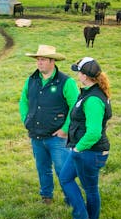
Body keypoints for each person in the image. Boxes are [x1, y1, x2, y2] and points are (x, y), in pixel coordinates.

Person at [19, 45, 80, 204]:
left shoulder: (67, 82)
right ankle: (46, 196)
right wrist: (26, 120)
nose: (39, 63)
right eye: (38, 60)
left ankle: (71, 200)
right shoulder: (31, 80)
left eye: (43, 60)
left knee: (63, 170)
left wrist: (66, 129)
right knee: (42, 168)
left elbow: (76, 107)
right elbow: (23, 101)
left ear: (52, 61)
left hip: (57, 137)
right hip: (36, 135)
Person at [59, 57, 113, 219]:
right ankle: (83, 217)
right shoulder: (89, 91)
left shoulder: (93, 100)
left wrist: (77, 149)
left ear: (85, 75)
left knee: (90, 188)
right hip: (82, 150)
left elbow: (94, 132)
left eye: (78, 71)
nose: (77, 74)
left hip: (90, 152)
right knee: (65, 178)